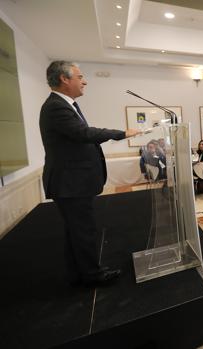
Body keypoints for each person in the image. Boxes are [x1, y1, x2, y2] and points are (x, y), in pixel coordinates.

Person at [39, 61, 141, 287]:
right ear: (65, 79)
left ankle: (78, 272)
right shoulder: (57, 106)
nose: (84, 81)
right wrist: (120, 133)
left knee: (76, 231)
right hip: (70, 183)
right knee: (83, 230)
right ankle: (92, 276)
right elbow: (83, 133)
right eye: (80, 76)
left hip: (71, 182)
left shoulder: (65, 104)